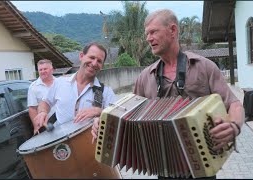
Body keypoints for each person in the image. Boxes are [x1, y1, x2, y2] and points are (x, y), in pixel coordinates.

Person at [92, 9, 244, 179]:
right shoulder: (145, 77)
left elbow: (234, 104)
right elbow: (125, 116)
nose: (148, 38)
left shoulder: (204, 67)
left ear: (173, 30)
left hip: (202, 166)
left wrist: (234, 126)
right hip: (163, 166)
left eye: (153, 32)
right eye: (147, 33)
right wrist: (103, 123)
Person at [34, 42, 117, 135]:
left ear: (102, 66)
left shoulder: (106, 91)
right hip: (59, 144)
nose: (94, 63)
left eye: (99, 61)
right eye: (92, 57)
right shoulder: (60, 82)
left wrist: (99, 111)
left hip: (88, 143)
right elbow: (45, 102)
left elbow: (116, 118)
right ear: (81, 56)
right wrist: (42, 112)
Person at [28, 59, 56, 133]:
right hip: (47, 125)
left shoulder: (60, 83)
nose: (43, 71)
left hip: (63, 121)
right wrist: (36, 127)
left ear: (52, 70)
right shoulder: (33, 87)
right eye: (40, 70)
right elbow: (32, 108)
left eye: (45, 69)